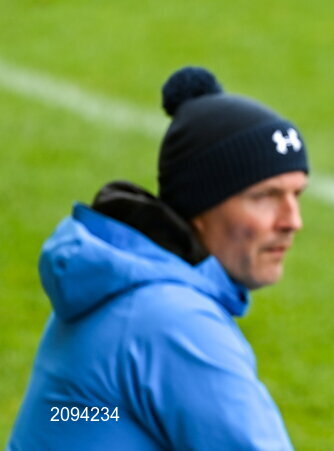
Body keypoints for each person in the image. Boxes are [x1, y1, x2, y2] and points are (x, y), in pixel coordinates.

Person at [8, 67, 307, 450]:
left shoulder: (121, 287)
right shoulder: (173, 322)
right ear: (201, 205)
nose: (292, 221)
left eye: (296, 195)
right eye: (264, 195)